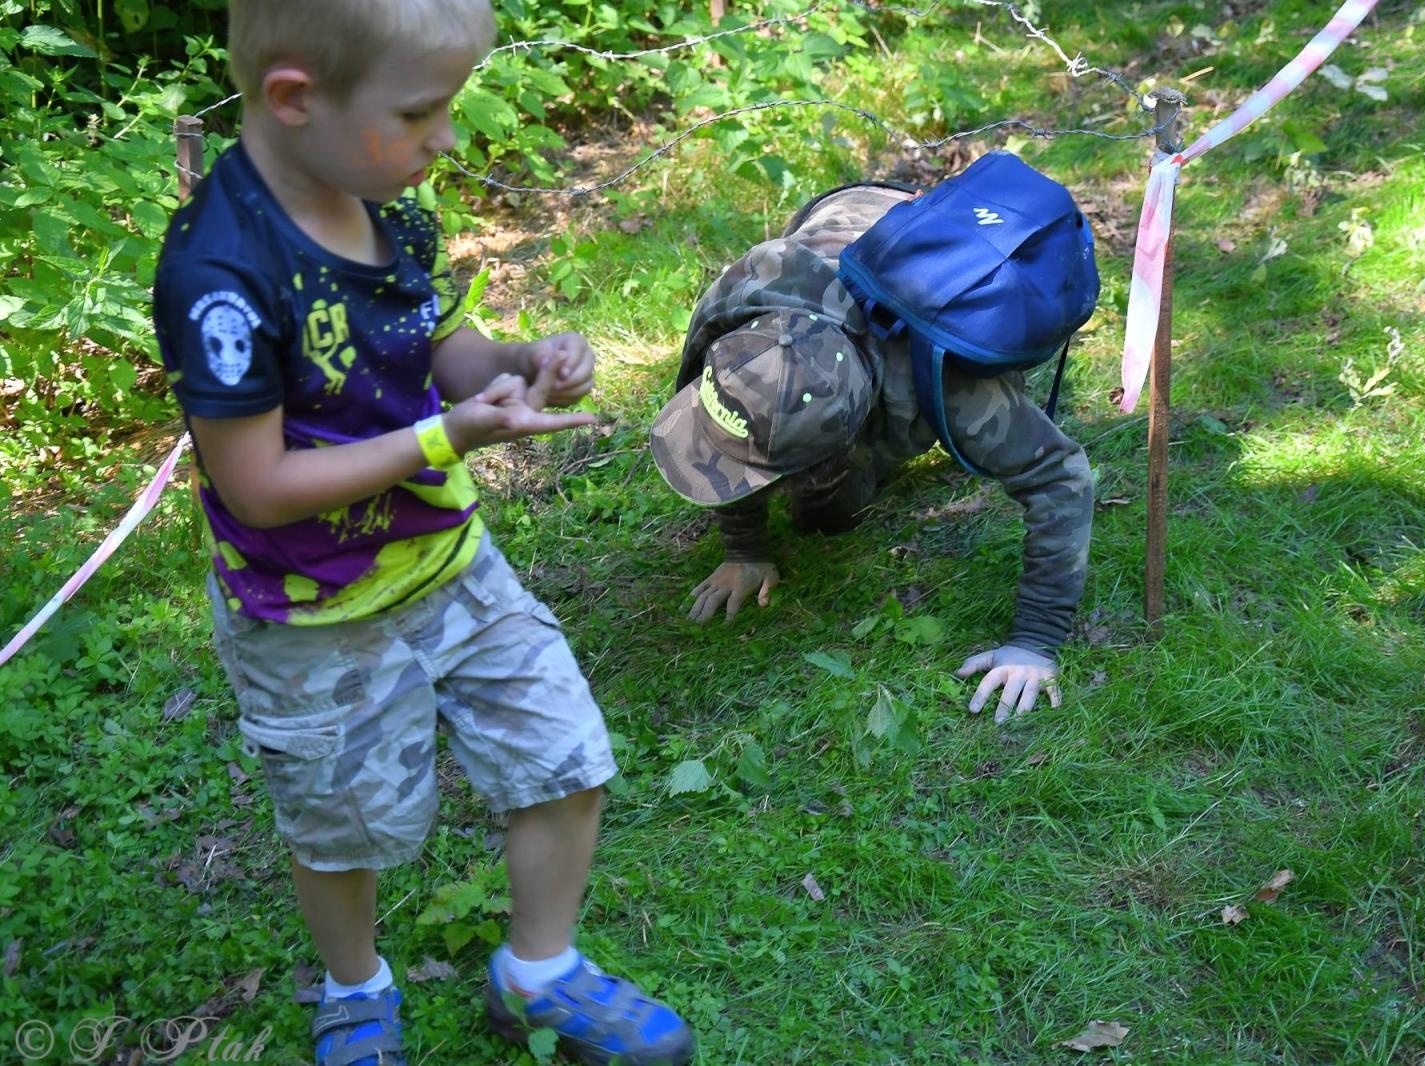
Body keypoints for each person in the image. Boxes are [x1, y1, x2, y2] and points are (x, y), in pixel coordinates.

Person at [152, 3, 694, 1064]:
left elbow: (439, 344)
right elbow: (258, 487)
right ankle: (356, 988)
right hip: (312, 613)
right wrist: (443, 438)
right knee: (342, 828)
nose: (444, 138)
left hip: (451, 566)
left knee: (563, 755)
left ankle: (538, 973)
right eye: (418, 111)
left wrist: (520, 363)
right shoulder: (220, 277)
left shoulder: (383, 203)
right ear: (295, 98)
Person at [649, 181, 1094, 723]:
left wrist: (1034, 643)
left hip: (947, 263)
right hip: (845, 212)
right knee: (820, 510)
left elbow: (1060, 477)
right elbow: (733, 430)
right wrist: (745, 550)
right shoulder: (745, 298)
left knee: (824, 512)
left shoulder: (956, 390)